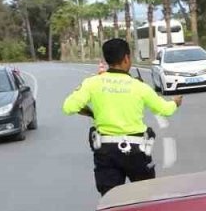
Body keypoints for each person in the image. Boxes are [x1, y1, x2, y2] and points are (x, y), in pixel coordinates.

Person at [63, 38, 182, 195]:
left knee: (110, 199)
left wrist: (92, 113)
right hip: (137, 151)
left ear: (107, 59)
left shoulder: (92, 83)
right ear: (126, 58)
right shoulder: (139, 86)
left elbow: (69, 107)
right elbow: (165, 110)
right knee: (145, 197)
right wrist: (175, 102)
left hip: (105, 151)